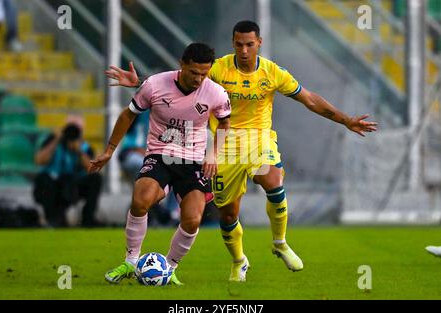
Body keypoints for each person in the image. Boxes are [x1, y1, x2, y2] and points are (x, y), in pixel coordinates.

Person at [105, 21, 378, 282]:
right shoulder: (218, 69)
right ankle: (238, 261)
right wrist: (141, 82)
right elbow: (179, 79)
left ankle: (280, 242)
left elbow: (309, 99)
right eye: (238, 44)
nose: (244, 51)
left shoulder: (272, 73)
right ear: (233, 44)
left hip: (259, 141)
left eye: (249, 44)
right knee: (227, 214)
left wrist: (345, 119)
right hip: (224, 145)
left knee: (272, 179)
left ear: (259, 42)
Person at [91, 43, 231, 285]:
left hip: (194, 161)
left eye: (204, 74)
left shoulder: (216, 93)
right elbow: (128, 115)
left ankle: (170, 267)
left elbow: (225, 124)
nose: (199, 79)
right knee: (141, 199)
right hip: (160, 155)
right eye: (194, 72)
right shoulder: (155, 85)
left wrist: (213, 154)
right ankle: (131, 261)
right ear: (182, 64)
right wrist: (109, 150)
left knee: (193, 218)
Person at [33, 120, 103, 227]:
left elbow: (91, 169)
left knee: (96, 179)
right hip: (53, 183)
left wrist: (79, 151)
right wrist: (56, 140)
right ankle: (53, 219)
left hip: (73, 184)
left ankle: (88, 219)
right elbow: (39, 160)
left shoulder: (83, 147)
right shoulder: (53, 143)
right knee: (44, 179)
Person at [119, 109, 180, 226]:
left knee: (179, 171)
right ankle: (161, 213)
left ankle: (171, 213)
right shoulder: (140, 113)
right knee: (143, 170)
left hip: (156, 157)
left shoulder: (171, 116)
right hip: (133, 155)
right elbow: (131, 145)